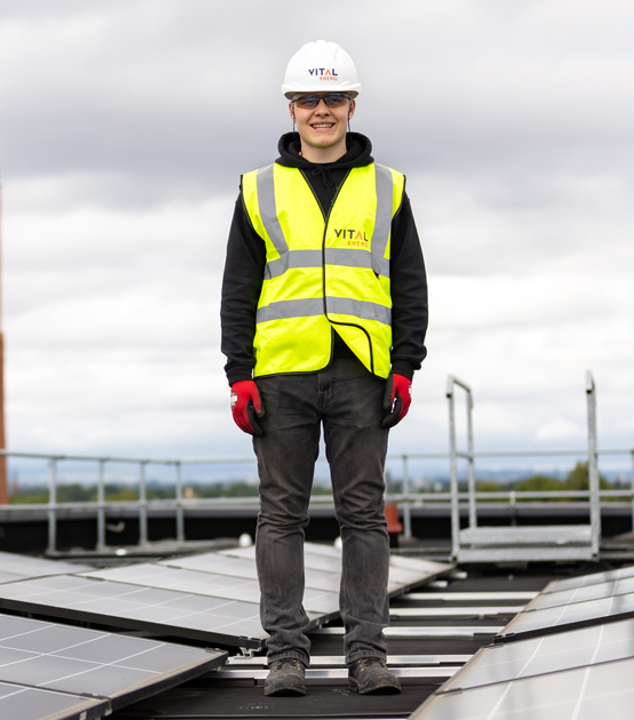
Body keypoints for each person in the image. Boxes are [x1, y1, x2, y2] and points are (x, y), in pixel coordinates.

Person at [220, 40, 428, 697]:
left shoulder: (387, 187)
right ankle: (287, 656)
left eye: (332, 98)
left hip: (363, 375)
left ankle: (368, 656)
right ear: (291, 108)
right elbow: (238, 288)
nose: (321, 111)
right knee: (281, 516)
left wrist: (405, 366)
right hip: (281, 375)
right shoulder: (258, 189)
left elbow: (409, 282)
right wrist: (240, 374)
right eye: (308, 99)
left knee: (362, 515)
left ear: (352, 104)